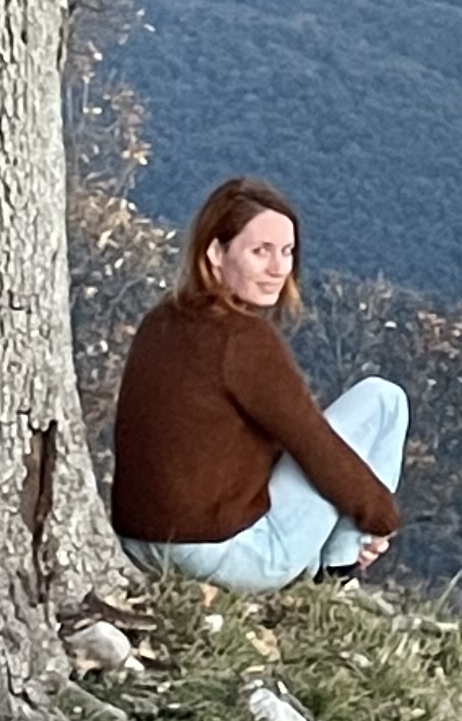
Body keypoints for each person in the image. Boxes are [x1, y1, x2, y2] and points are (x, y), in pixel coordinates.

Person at [112, 176, 407, 592]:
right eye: (260, 251)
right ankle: (338, 574)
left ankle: (335, 566)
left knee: (327, 455)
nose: (279, 268)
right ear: (216, 252)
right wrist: (380, 519)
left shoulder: (161, 320)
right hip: (217, 556)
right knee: (383, 400)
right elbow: (314, 443)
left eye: (287, 251)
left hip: (139, 543)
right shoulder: (240, 337)